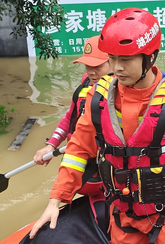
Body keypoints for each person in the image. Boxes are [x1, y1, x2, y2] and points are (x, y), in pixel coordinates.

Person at [29, 8, 165, 244]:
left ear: (150, 57)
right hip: (122, 212)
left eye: (126, 59)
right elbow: (78, 149)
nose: (117, 68)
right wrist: (56, 199)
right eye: (112, 58)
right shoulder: (98, 98)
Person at [32, 35, 111, 167]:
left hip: (107, 161)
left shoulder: (122, 93)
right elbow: (70, 118)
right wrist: (51, 144)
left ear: (114, 62)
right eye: (87, 65)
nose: (91, 72)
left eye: (97, 66)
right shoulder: (84, 87)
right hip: (79, 157)